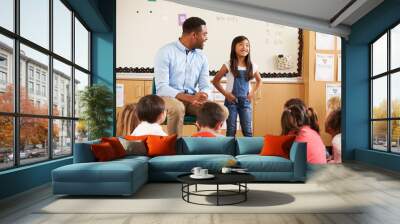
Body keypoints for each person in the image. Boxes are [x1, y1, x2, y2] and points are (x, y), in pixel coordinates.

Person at [154, 17, 211, 137]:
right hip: (168, 98)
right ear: (194, 35)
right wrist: (189, 98)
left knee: (214, 110)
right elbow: (162, 87)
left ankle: (205, 145)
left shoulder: (202, 57)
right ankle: (175, 147)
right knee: (177, 107)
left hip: (192, 99)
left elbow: (205, 85)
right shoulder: (165, 52)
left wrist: (203, 95)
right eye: (204, 34)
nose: (206, 38)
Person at [212, 36, 262, 137]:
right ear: (234, 47)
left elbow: (259, 81)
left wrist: (252, 93)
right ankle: (230, 152)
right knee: (231, 129)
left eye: (247, 45)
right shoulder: (228, 64)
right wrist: (226, 94)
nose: (244, 47)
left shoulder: (252, 65)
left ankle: (248, 151)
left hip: (246, 101)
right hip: (231, 101)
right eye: (241, 45)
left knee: (247, 130)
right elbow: (215, 81)